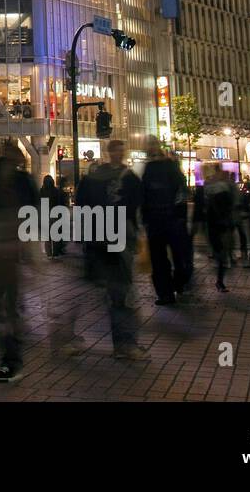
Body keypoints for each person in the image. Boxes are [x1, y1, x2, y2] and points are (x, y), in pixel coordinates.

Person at [53, 139, 145, 360]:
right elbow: (134, 208)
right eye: (116, 150)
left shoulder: (112, 177)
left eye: (120, 151)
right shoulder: (119, 177)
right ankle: (122, 344)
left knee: (105, 290)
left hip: (105, 238)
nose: (118, 154)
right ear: (110, 152)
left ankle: (73, 337)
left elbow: (83, 204)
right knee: (111, 291)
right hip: (107, 239)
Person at [0, 139, 37, 382]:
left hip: (9, 249)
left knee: (6, 304)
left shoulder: (22, 182)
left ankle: (11, 360)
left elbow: (32, 212)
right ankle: (11, 352)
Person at [141, 137, 191, 304]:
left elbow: (181, 190)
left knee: (177, 256)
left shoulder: (170, 165)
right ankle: (165, 293)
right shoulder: (147, 167)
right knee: (158, 258)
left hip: (170, 217)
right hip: (156, 219)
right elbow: (143, 194)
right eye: (149, 145)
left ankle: (176, 284)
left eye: (153, 144)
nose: (151, 148)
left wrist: (179, 214)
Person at [204, 162, 235, 293]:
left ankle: (220, 280)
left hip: (216, 224)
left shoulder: (210, 186)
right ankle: (219, 281)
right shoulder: (222, 188)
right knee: (221, 253)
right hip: (220, 224)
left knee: (220, 253)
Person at [39, 173, 64, 258]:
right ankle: (55, 253)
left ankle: (49, 254)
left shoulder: (42, 191)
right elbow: (59, 203)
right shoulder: (56, 191)